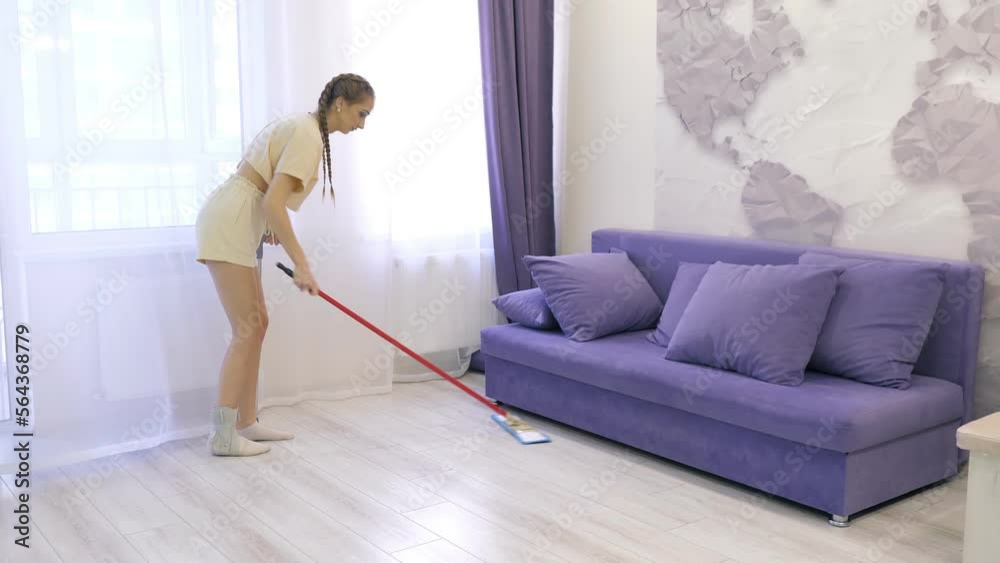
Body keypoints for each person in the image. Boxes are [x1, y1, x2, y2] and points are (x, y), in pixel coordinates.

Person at [194, 73, 375, 456]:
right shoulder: (309, 135)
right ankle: (224, 435)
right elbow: (272, 203)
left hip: (240, 218)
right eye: (361, 114)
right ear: (339, 104)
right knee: (247, 329)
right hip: (231, 220)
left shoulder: (304, 128)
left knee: (256, 323)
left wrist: (270, 227)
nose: (361, 125)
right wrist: (303, 266)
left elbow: (268, 196)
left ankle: (245, 423)